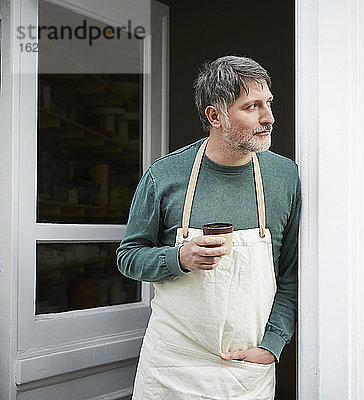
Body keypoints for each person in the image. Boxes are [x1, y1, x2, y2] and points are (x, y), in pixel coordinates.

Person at [117, 55, 301, 399]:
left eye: (268, 103)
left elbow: (291, 272)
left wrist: (273, 344)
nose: (269, 118)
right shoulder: (164, 175)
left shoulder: (284, 177)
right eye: (252, 107)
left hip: (246, 368)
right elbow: (129, 257)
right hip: (172, 364)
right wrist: (180, 258)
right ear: (215, 116)